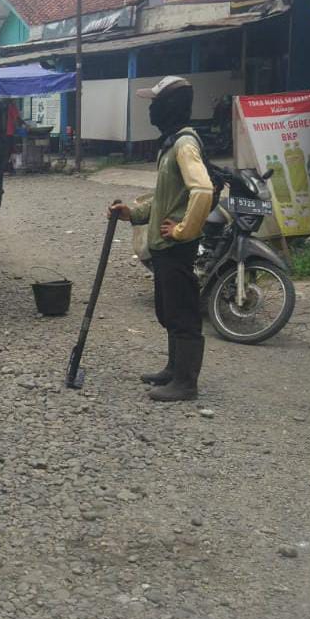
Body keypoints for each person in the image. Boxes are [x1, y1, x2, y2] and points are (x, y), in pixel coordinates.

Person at [109, 76, 213, 402]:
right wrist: (133, 214)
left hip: (175, 247)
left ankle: (185, 383)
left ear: (168, 106)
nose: (151, 110)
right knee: (168, 310)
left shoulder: (184, 145)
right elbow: (166, 197)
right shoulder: (171, 145)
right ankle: (173, 368)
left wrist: (183, 230)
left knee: (182, 313)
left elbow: (203, 191)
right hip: (163, 247)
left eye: (155, 103)